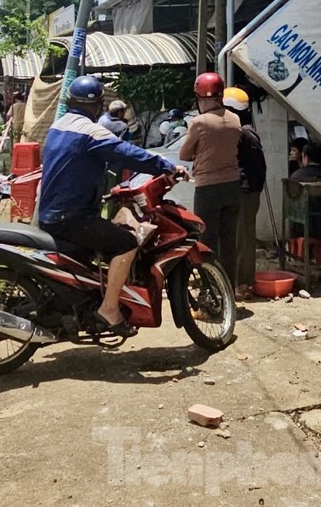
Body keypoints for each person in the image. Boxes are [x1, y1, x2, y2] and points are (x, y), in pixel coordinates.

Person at [37, 75, 183, 337]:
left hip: (50, 213)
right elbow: (127, 153)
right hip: (73, 217)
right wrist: (167, 167)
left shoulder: (57, 126)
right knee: (126, 243)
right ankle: (109, 310)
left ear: (70, 101)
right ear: (97, 106)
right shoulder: (91, 131)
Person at [180, 72, 244, 287]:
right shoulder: (235, 119)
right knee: (229, 242)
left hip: (208, 188)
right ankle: (229, 292)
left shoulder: (199, 122)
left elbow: (183, 154)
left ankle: (211, 294)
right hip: (233, 186)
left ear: (201, 98)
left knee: (207, 243)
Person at [221, 86, 265, 289]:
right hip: (241, 190)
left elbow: (259, 166)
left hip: (246, 192)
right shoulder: (238, 131)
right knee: (234, 238)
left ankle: (244, 283)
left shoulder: (246, 134)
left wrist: (250, 188)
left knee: (243, 239)